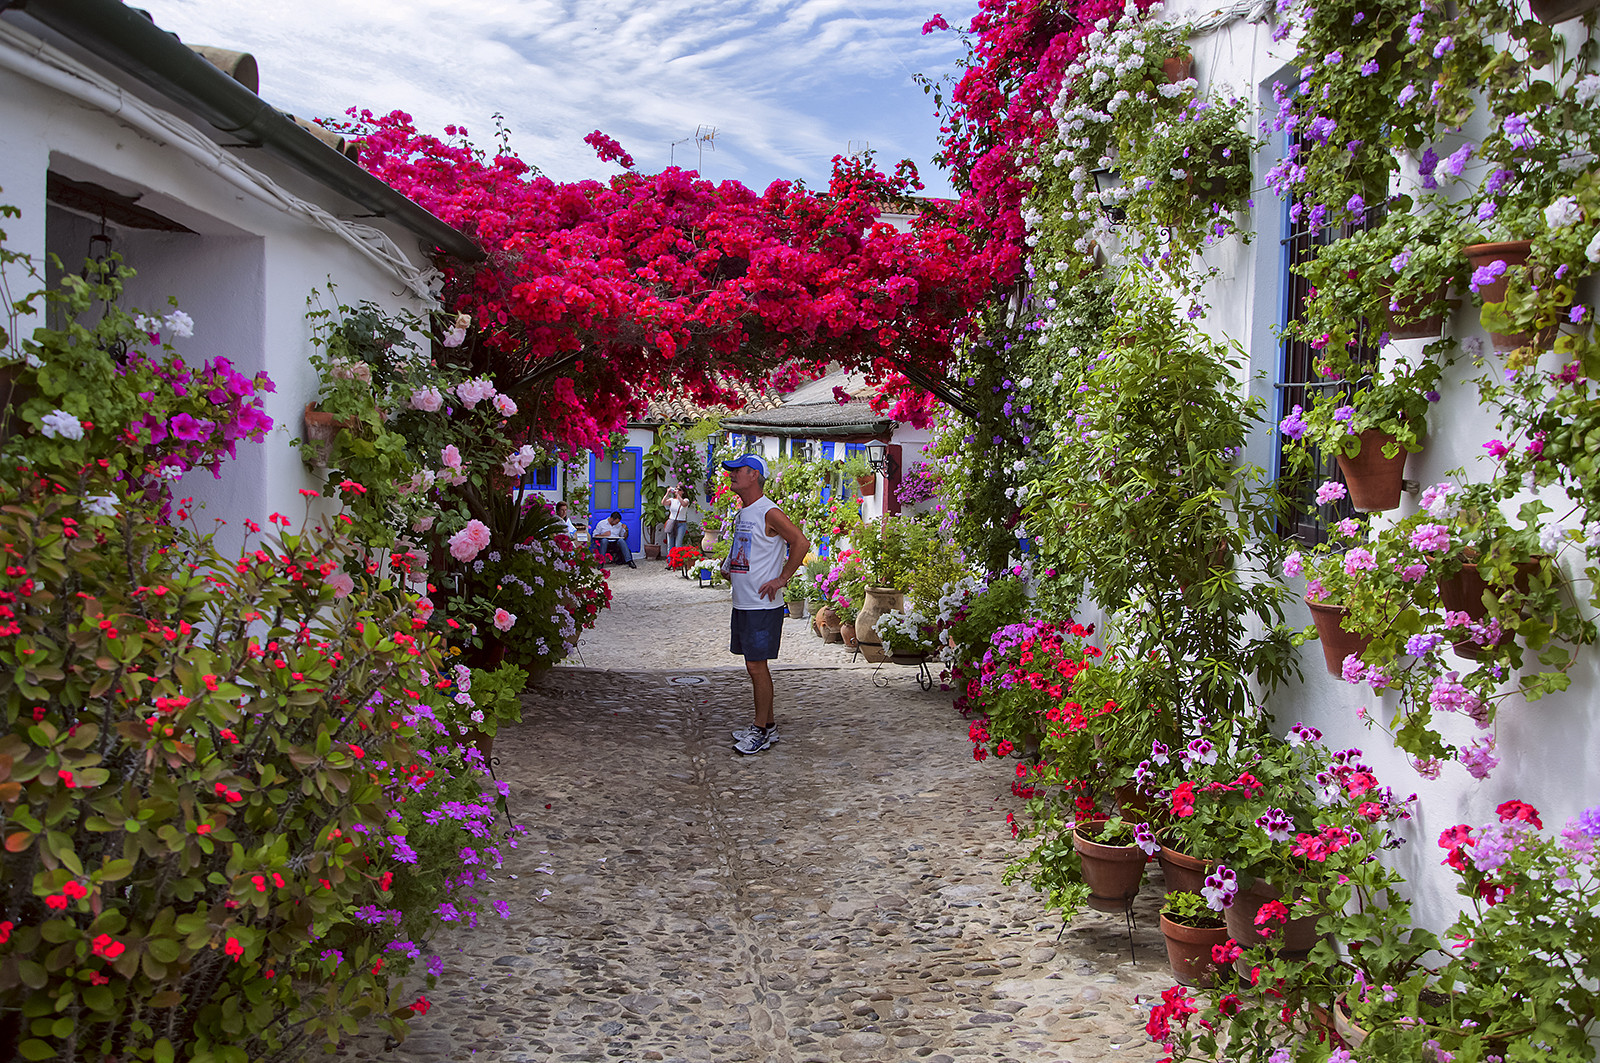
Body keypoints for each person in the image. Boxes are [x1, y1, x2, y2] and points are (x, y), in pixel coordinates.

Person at [720, 455, 810, 755]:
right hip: (744, 602)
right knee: (753, 665)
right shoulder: (744, 513)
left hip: (762, 604)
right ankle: (767, 726)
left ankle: (759, 729)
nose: (732, 475)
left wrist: (782, 578)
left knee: (756, 667)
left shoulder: (769, 511)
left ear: (754, 475)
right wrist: (728, 565)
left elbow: (800, 541)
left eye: (738, 471)